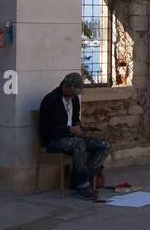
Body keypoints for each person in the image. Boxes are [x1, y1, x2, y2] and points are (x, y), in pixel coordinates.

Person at [39, 72, 111, 201]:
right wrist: (70, 130)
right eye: (72, 92)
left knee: (103, 146)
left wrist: (79, 127)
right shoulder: (50, 100)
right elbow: (48, 130)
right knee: (79, 144)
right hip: (54, 141)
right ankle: (82, 185)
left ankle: (79, 179)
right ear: (65, 86)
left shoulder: (74, 99)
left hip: (73, 137)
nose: (74, 95)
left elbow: (75, 119)